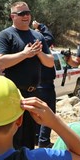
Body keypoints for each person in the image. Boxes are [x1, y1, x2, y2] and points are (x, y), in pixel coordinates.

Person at [0, 1, 55, 149]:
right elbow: (0, 61)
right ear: (12, 16)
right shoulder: (6, 35)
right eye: (21, 14)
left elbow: (50, 62)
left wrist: (38, 52)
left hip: (33, 94)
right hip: (12, 95)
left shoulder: (37, 36)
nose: (26, 16)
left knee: (29, 139)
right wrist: (24, 54)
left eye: (27, 13)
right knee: (12, 137)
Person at [32, 20, 57, 148]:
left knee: (37, 113)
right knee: (48, 113)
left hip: (37, 84)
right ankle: (44, 141)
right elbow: (50, 37)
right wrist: (40, 26)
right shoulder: (37, 44)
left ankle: (37, 139)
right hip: (45, 84)